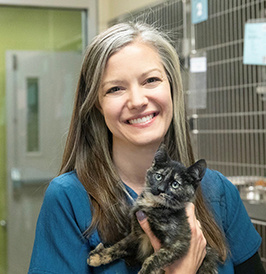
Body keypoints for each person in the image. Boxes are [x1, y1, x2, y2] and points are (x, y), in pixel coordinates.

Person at [28, 22, 265, 274]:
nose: (138, 101)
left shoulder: (218, 192)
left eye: (151, 80)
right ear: (97, 104)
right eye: (115, 89)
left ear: (172, 88)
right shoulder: (69, 198)